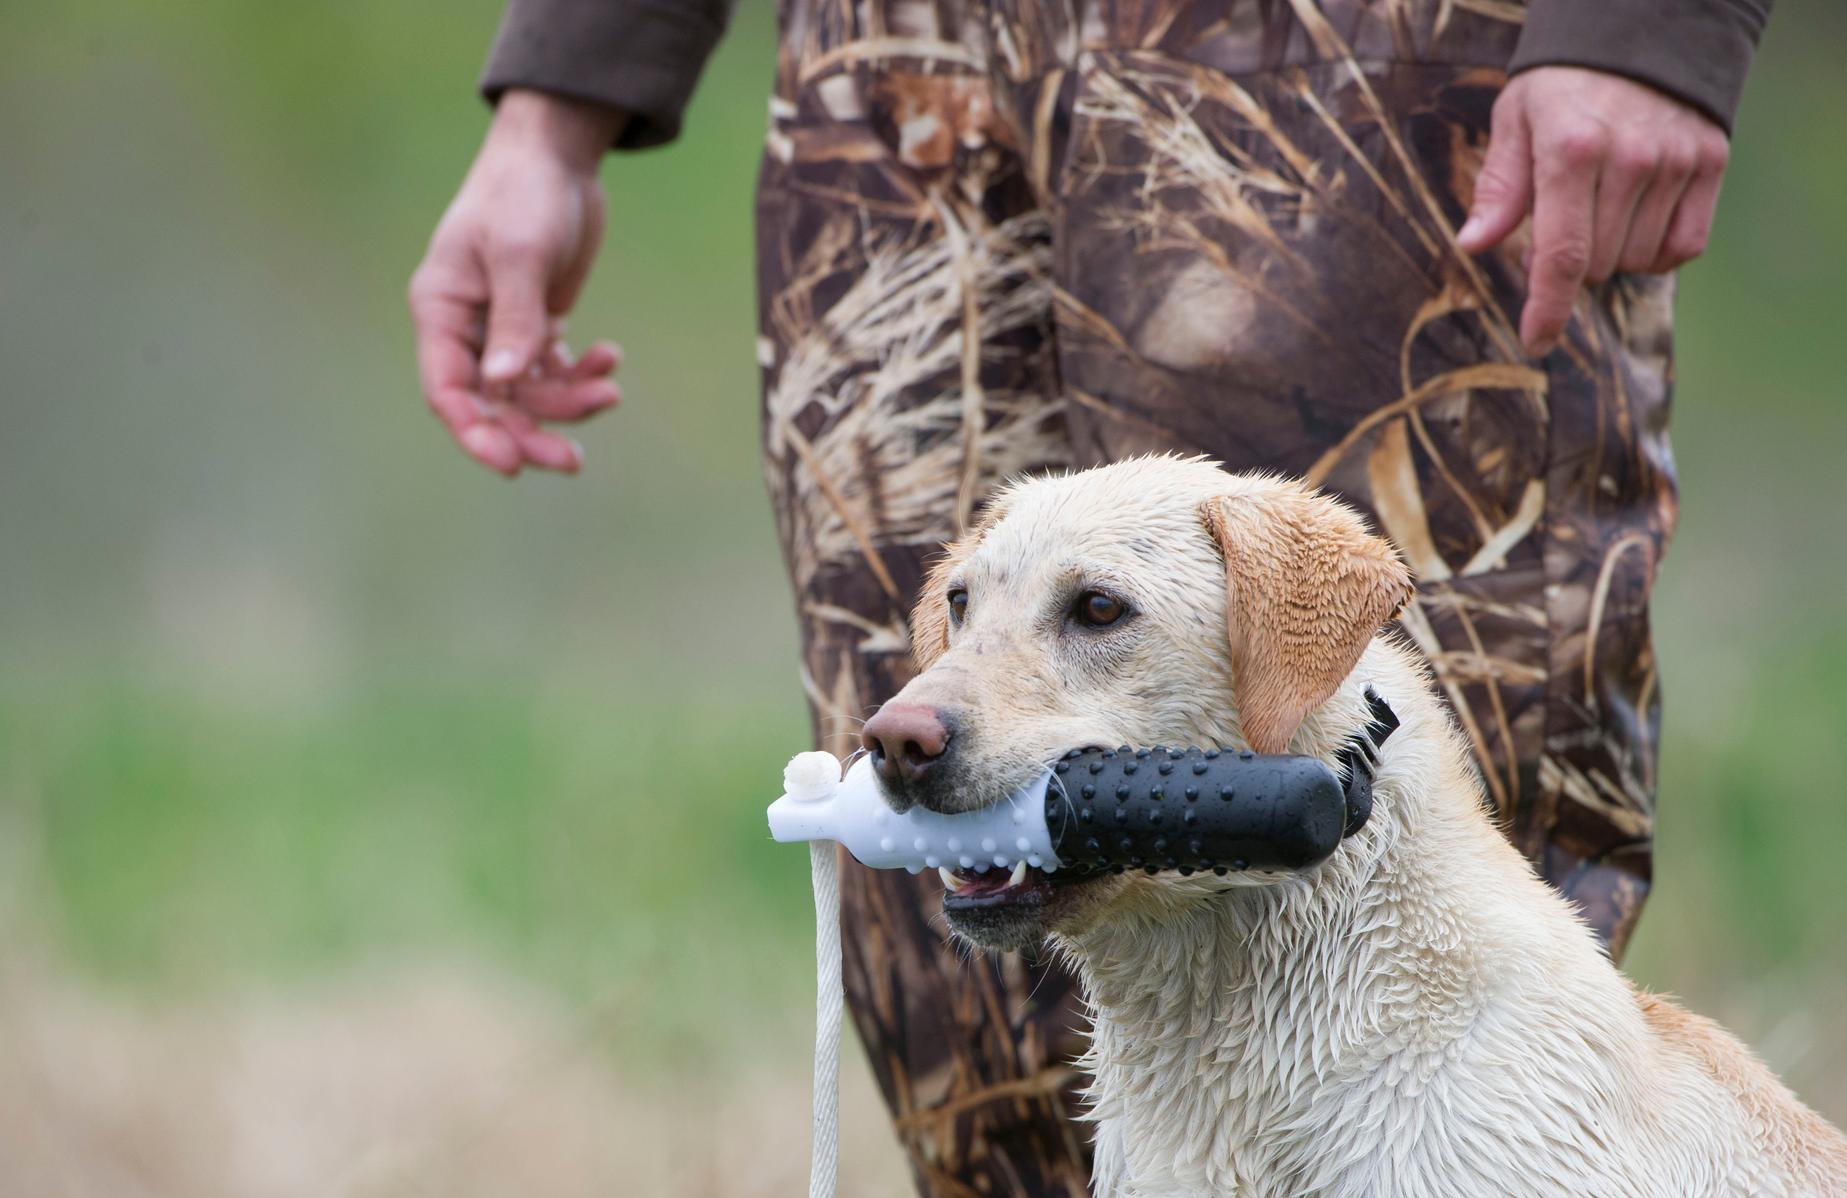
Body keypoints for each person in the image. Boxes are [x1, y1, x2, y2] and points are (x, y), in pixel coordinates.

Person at [408, 2, 1770, 1192]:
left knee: (1446, 824)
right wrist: (555, 98)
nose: (913, 709)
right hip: (894, 63)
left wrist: (1648, 24)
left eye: (1094, 619)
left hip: (1360, 50)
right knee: (962, 1011)